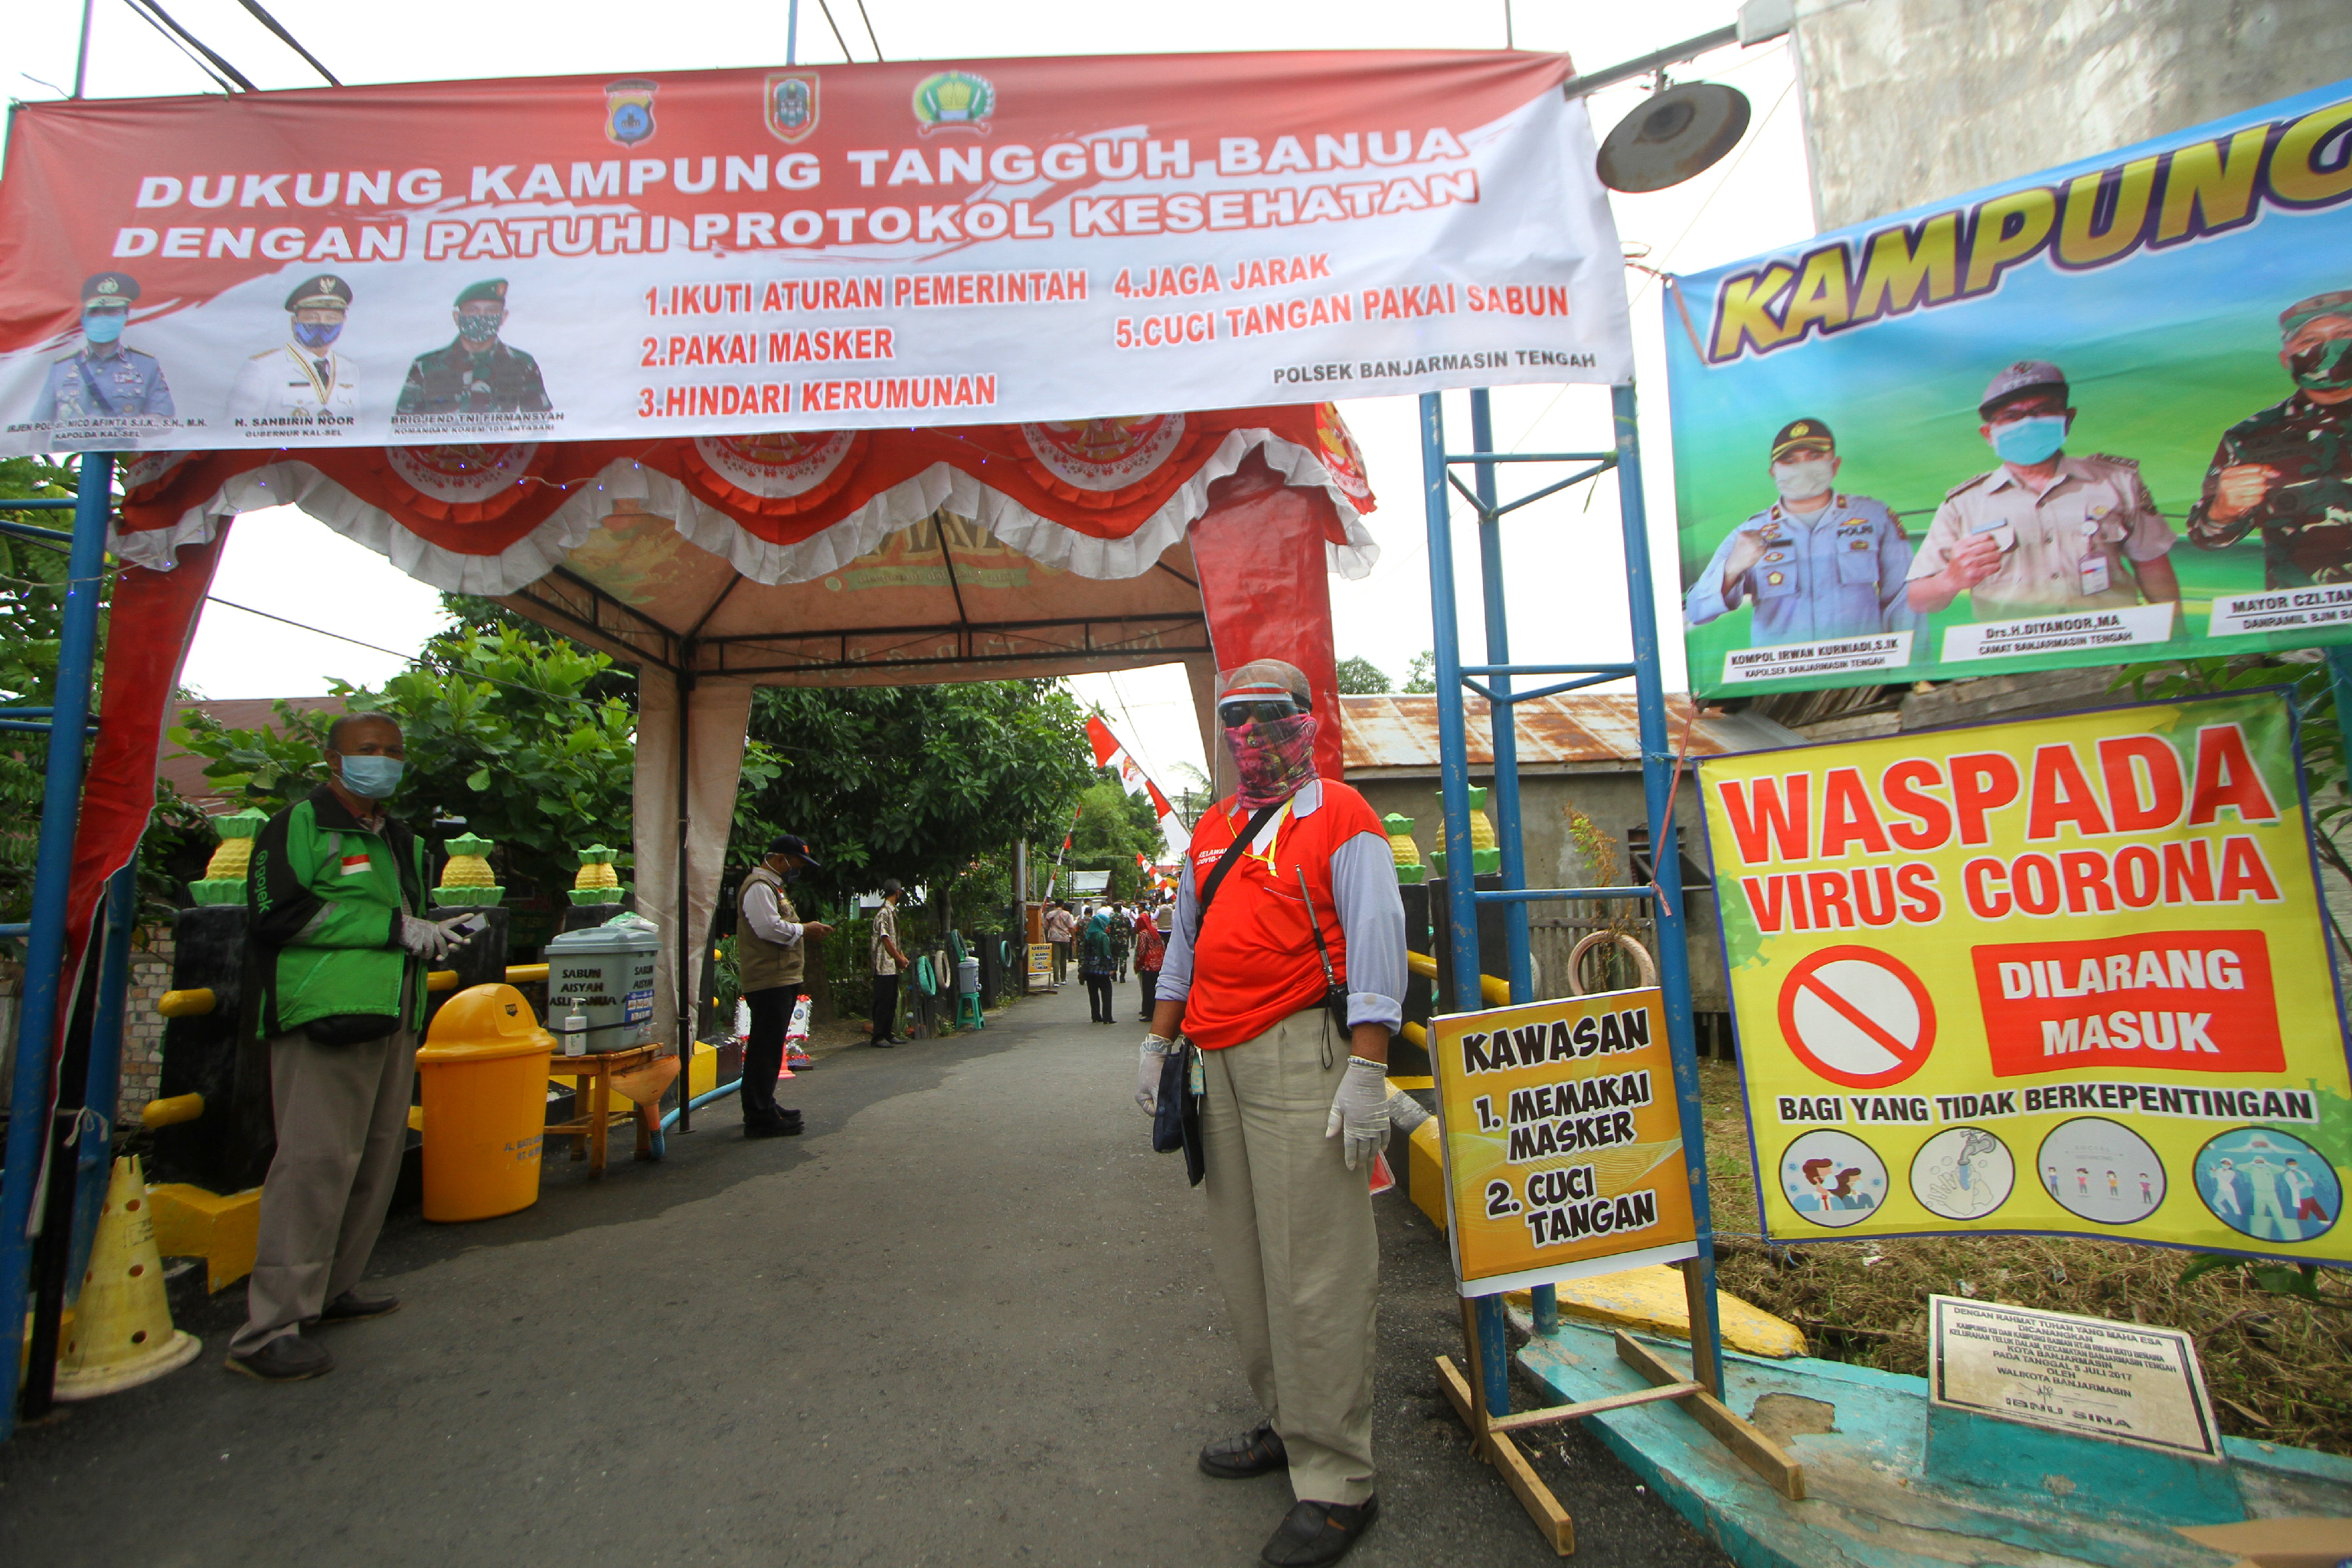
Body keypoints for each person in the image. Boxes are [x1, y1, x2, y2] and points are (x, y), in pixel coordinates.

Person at [1141, 658, 1405, 1568]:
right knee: (1247, 1256)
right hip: (1214, 1061)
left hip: (1305, 1050)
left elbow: (1377, 946)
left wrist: (1368, 1068)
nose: (1248, 734)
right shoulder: (1212, 828)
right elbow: (1183, 945)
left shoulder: (1343, 817)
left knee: (1317, 1263)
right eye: (1233, 718)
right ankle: (1288, 1424)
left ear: (1305, 721)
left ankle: (1338, 1476)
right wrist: (1158, 1040)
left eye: (1267, 716)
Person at [227, 712, 468, 1381]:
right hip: (323, 1016)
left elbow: (399, 920)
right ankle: (269, 1327)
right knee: (311, 1167)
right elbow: (277, 915)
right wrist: (390, 926)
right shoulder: (298, 825)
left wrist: (428, 930)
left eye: (392, 750)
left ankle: (330, 1288)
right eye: (368, 750)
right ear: (332, 758)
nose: (382, 760)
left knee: (374, 1162)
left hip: (392, 1015)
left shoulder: (396, 836)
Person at [1906, 360, 2180, 622]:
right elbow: (1919, 601)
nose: (2028, 423)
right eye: (2011, 416)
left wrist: (2177, 639)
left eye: (2043, 411)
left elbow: (2152, 565)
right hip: (2012, 661)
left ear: (2068, 418)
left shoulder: (2117, 482)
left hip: (2114, 649)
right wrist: (1951, 580)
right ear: (1988, 434)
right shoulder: (1963, 505)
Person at [1683, 419, 1915, 645]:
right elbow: (1697, 610)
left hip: (1860, 672)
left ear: (1835, 465)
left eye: (1814, 457)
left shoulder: (1874, 517)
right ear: (1774, 472)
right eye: (1790, 461)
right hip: (1783, 676)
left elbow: (1904, 602)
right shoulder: (1750, 532)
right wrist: (1733, 567)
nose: (1802, 468)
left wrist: (1906, 673)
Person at [2186, 290, 2352, 584]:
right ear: (2286, 359)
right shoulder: (2251, 435)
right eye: (2310, 340)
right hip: (2306, 616)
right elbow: (2206, 536)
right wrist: (2223, 511)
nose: (2330, 347)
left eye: (2345, 333)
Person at [737, 833, 833, 1137]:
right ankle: (759, 1116)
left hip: (779, 978)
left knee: (769, 1045)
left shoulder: (772, 887)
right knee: (764, 1048)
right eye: (796, 863)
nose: (798, 870)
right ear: (780, 859)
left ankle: (765, 1105)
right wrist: (804, 929)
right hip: (768, 979)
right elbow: (768, 928)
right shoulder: (758, 888)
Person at [31, 272, 173, 424]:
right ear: (82, 319)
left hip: (121, 447)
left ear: (126, 316)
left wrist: (122, 427)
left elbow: (165, 420)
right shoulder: (60, 368)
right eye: (94, 312)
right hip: (71, 447)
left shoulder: (146, 365)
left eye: (112, 311)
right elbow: (39, 428)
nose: (103, 318)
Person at [396, 278, 552, 415]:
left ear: (503, 317)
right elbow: (404, 426)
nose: (481, 317)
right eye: (472, 310)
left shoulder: (522, 364)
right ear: (457, 317)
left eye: (491, 311)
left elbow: (540, 425)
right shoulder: (426, 366)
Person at [230, 273, 358, 426]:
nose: (321, 324)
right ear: (294, 322)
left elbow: (357, 428)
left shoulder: (349, 368)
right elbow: (237, 430)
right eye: (311, 317)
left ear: (343, 321)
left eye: (331, 318)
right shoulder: (262, 368)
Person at [869, 878, 909, 1048]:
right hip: (883, 964)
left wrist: (902, 956)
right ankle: (878, 1036)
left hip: (892, 966)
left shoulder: (893, 912)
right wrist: (898, 958)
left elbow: (895, 939)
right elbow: (885, 939)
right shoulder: (884, 913)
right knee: (883, 1001)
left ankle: (888, 1033)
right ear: (898, 892)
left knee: (892, 1000)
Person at [1079, 907, 1118, 1024]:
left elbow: (1084, 952)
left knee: (1093, 993)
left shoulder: (1089, 935)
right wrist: (1112, 966)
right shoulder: (1103, 936)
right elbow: (1106, 953)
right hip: (1101, 969)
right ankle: (1107, 1017)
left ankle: (1096, 1016)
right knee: (1107, 992)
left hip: (1089, 969)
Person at [1134, 900, 1167, 1021]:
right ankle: (1158, 1011)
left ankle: (1149, 1013)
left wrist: (1138, 963)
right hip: (1158, 965)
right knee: (1156, 989)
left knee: (1148, 990)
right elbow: (1162, 947)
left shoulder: (1143, 934)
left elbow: (1142, 950)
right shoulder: (1155, 932)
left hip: (1148, 966)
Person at [1044, 900, 1076, 987]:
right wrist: (1074, 939)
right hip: (1065, 938)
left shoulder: (1050, 914)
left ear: (1055, 905)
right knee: (1063, 959)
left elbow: (1046, 927)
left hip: (1054, 938)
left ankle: (1056, 981)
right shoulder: (1067, 914)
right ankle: (1063, 979)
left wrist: (1047, 938)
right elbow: (1071, 927)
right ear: (1062, 905)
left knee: (1055, 959)